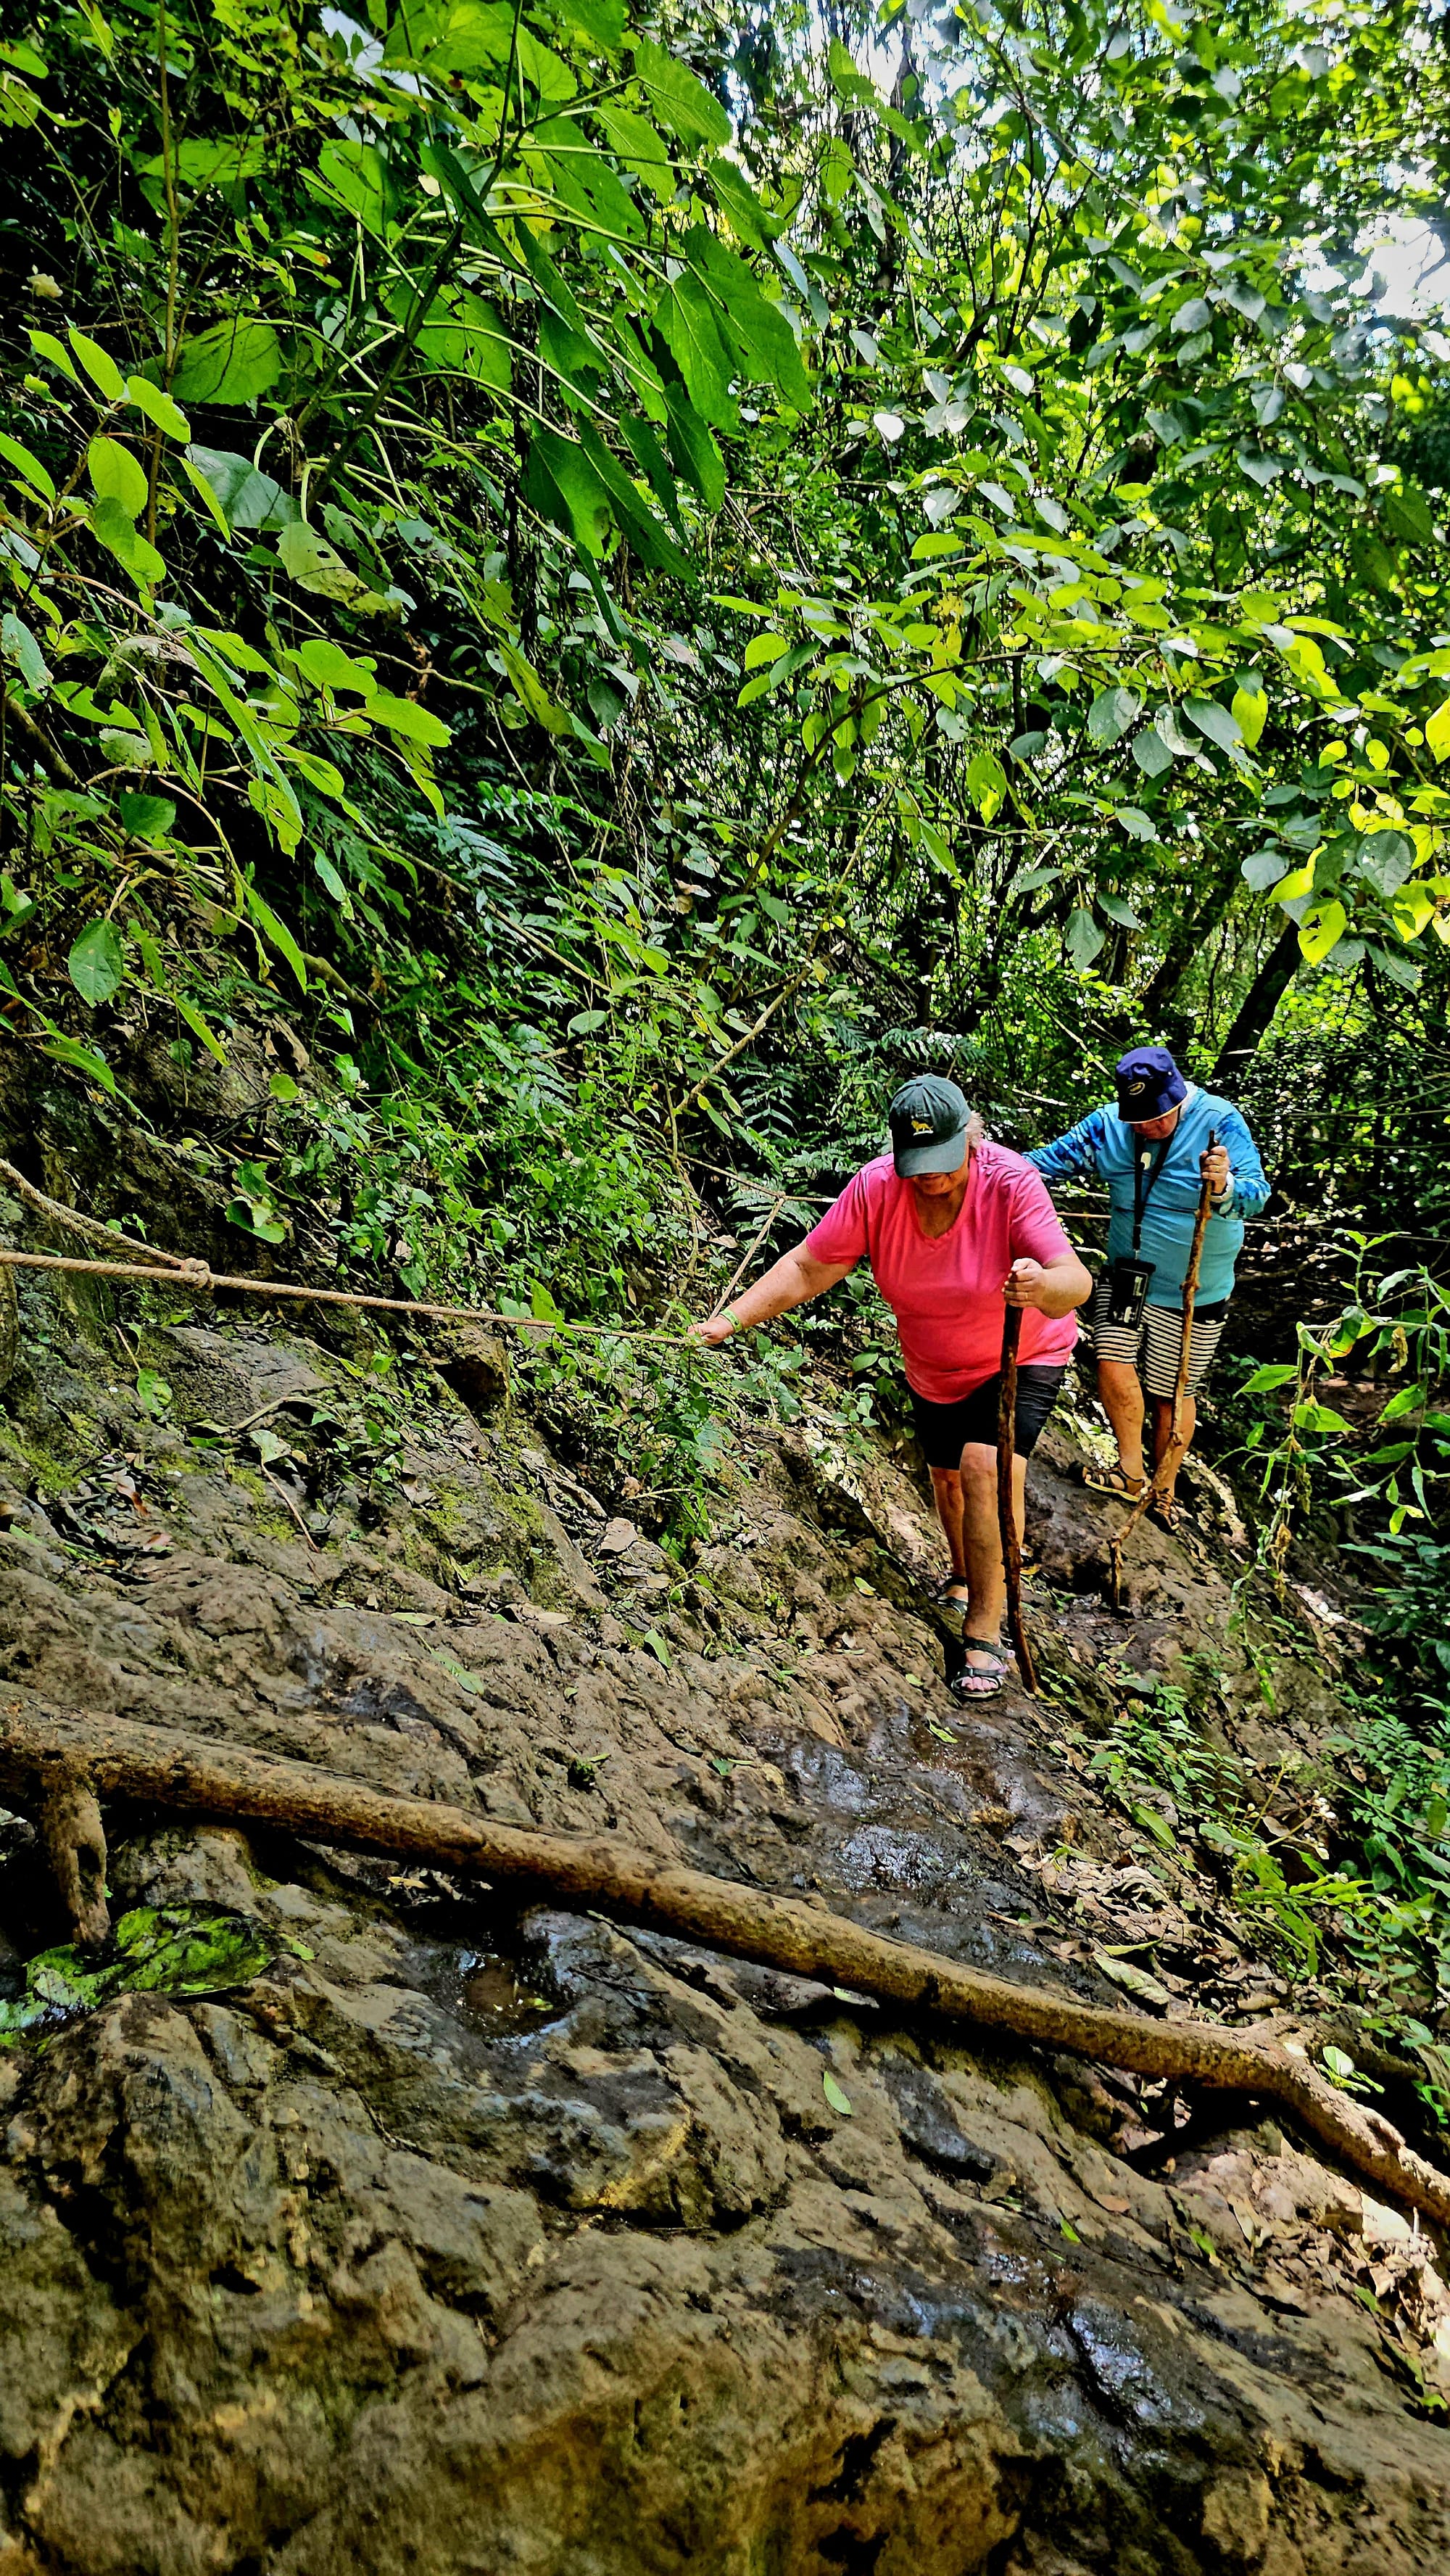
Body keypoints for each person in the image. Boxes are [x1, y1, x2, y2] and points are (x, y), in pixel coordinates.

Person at [693, 1076, 1092, 1698]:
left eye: (943, 1160)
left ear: (972, 1137)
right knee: (948, 1480)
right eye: (917, 1162)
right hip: (935, 1363)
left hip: (1022, 1354)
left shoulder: (1011, 1182)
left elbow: (1075, 1280)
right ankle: (963, 1572)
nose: (929, 1176)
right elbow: (809, 1266)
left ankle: (985, 1631)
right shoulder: (877, 1188)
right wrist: (732, 1319)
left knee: (984, 1469)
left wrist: (1042, 1286)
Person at [1026, 1045, 1269, 1524]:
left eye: (1157, 1117)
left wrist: (1224, 1187)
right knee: (1111, 1358)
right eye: (1136, 1118)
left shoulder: (1220, 1123)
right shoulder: (1108, 1127)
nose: (1146, 1127)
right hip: (1128, 1273)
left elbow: (1257, 1195)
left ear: (1178, 1096)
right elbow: (1045, 1163)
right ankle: (1130, 1472)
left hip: (1196, 1290)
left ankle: (1164, 1490)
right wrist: (979, 1163)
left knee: (1171, 1393)